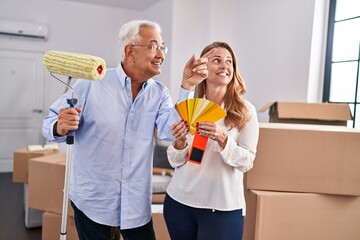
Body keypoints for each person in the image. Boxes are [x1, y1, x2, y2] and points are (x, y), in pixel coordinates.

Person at [42, 20, 215, 240]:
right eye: (153, 46)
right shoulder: (91, 84)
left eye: (163, 47)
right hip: (93, 202)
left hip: (135, 206)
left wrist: (187, 87)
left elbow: (170, 131)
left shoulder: (159, 93)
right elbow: (49, 123)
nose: (161, 54)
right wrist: (59, 126)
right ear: (129, 51)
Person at [163, 41, 260, 240]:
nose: (225, 66)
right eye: (217, 60)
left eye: (229, 62)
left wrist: (223, 139)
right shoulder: (188, 105)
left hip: (222, 208)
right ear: (204, 68)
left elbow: (247, 161)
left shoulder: (245, 111)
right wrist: (180, 143)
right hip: (179, 204)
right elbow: (175, 161)